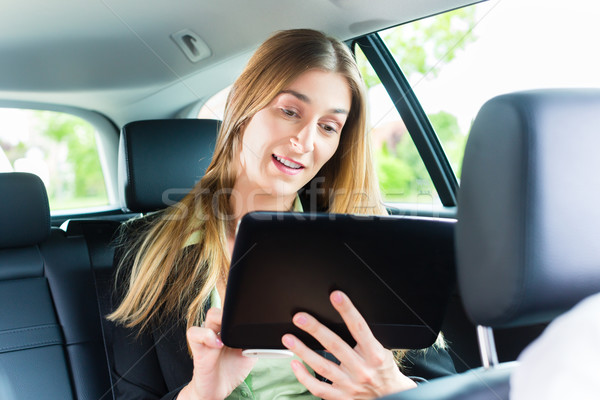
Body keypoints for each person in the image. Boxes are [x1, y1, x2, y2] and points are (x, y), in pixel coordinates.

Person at [107, 29, 454, 400]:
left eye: (328, 126)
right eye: (289, 111)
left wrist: (392, 391)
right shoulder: (146, 248)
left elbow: (448, 387)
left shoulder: (372, 243)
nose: (305, 142)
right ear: (243, 107)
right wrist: (201, 393)